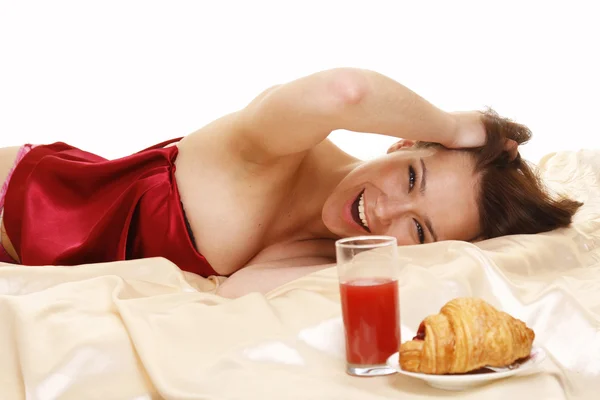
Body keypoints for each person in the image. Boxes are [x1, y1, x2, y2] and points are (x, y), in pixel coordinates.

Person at [0, 68, 582, 297]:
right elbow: (344, 93)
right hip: (12, 200)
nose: (386, 210)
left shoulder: (323, 253)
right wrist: (455, 126)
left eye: (420, 228)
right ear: (401, 141)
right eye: (411, 176)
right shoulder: (278, 152)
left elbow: (236, 297)